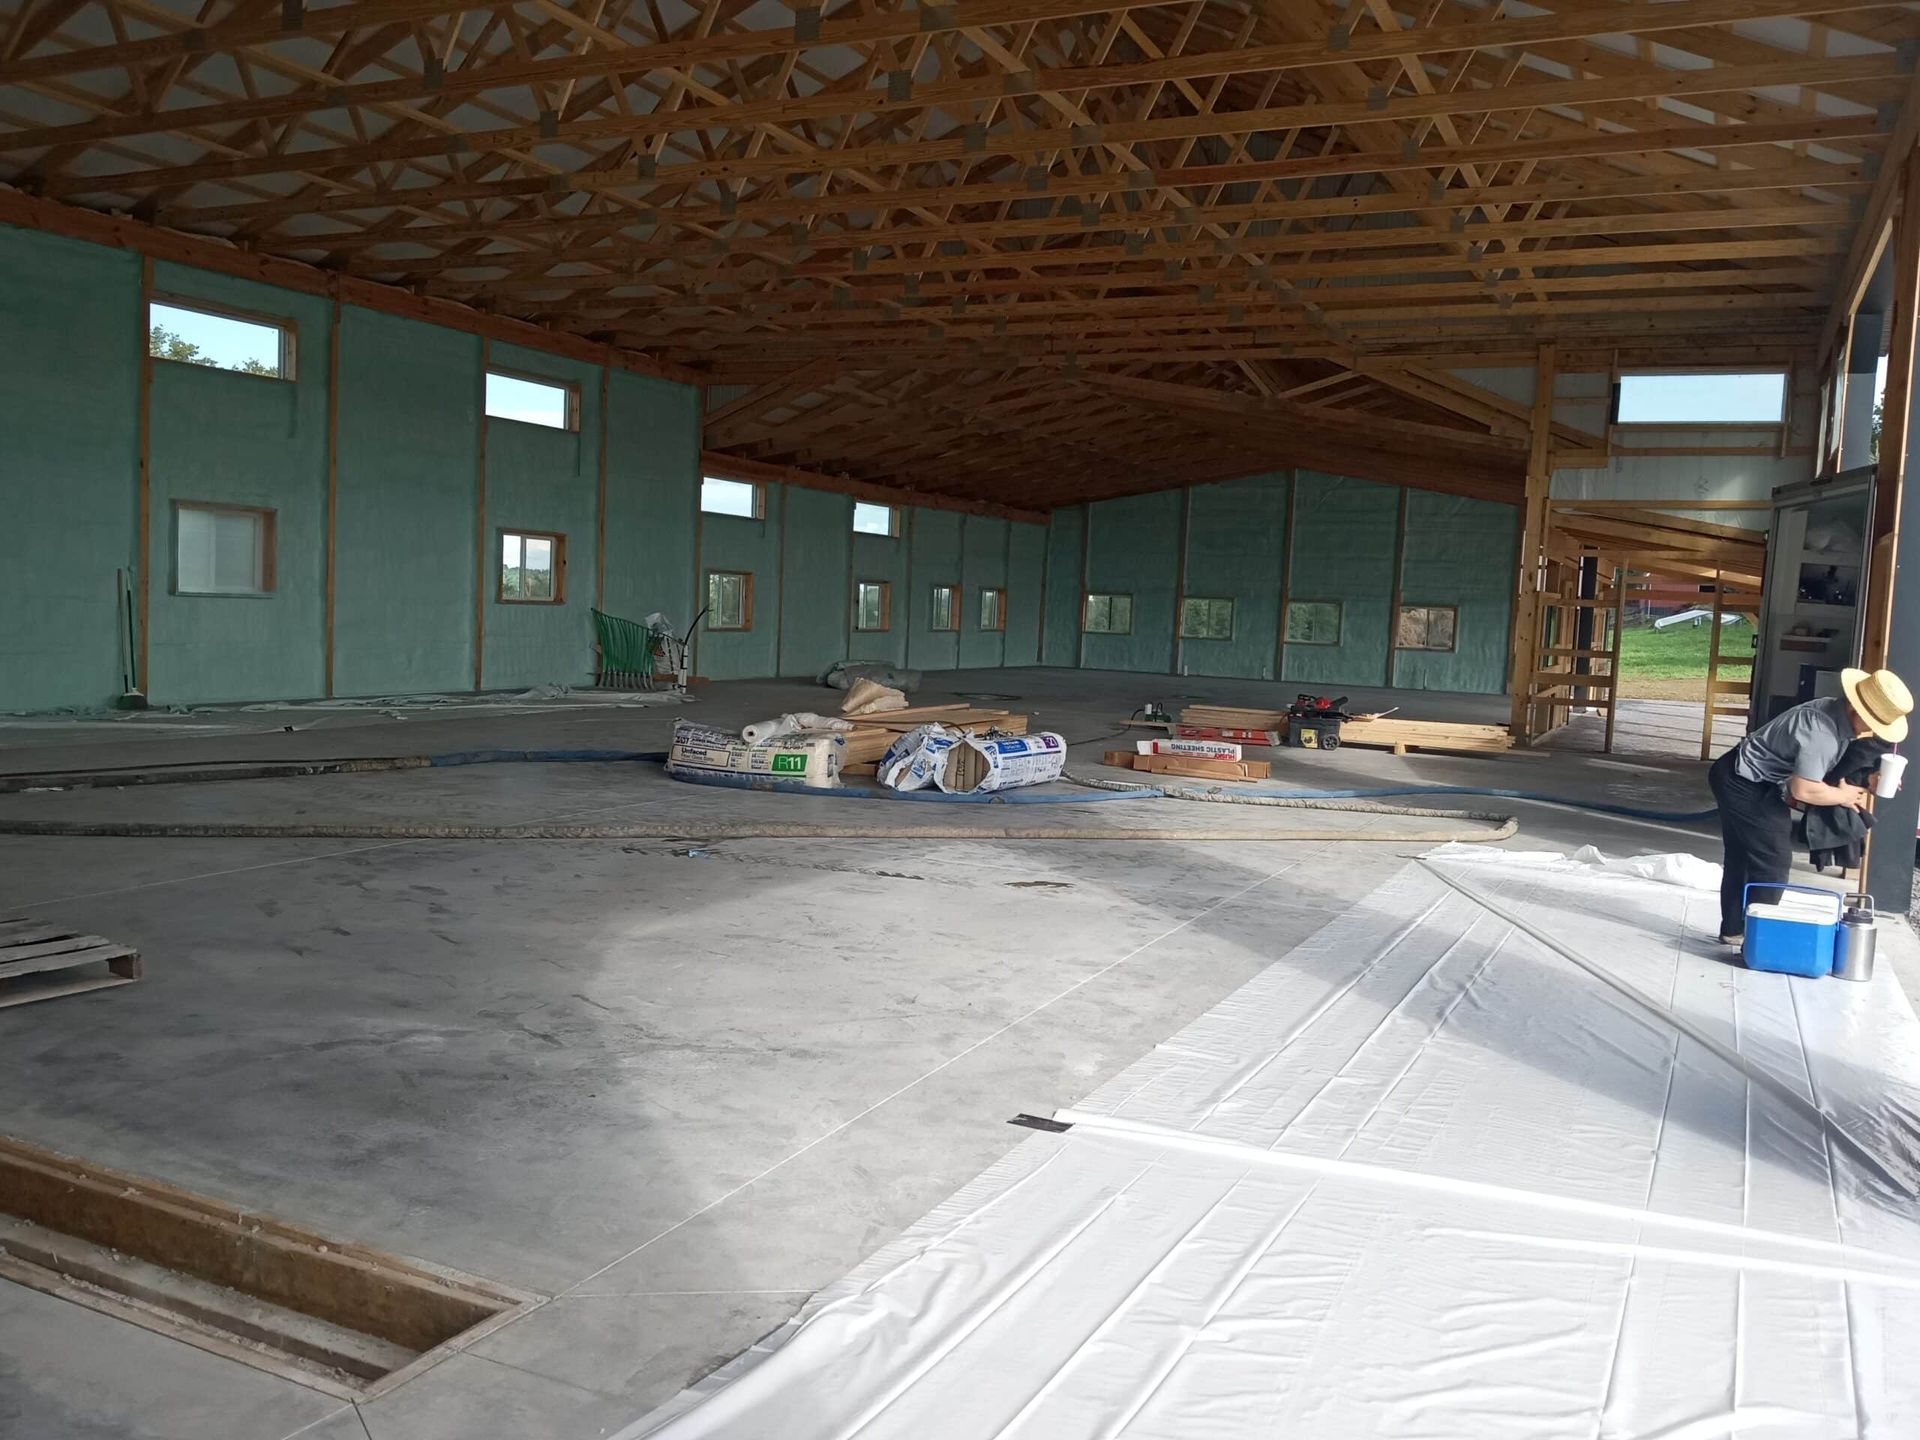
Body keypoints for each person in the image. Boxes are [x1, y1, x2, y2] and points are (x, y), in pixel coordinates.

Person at [1708, 666, 1912, 946]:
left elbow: (1827, 769)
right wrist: (1843, 797)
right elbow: (1803, 789)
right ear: (1856, 709)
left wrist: (1868, 780)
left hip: (1749, 776)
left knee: (1744, 857)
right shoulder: (1822, 731)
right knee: (1773, 861)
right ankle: (1758, 940)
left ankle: (1735, 931)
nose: (1873, 731)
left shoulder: (1835, 715)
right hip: (1743, 780)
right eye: (1872, 722)